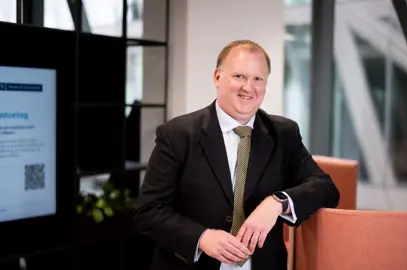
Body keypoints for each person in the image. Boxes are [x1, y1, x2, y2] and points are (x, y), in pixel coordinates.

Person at [132, 40, 340, 270]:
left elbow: (325, 187)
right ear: (217, 77)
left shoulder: (283, 133)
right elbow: (148, 210)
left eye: (258, 79)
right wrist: (202, 238)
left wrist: (277, 203)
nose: (248, 88)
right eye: (239, 76)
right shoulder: (178, 134)